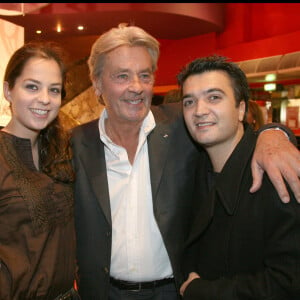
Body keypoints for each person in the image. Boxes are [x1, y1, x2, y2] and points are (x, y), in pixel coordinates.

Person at [71, 23, 300, 300]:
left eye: (145, 75)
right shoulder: (75, 143)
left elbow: (228, 124)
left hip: (176, 290)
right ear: (97, 82)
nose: (136, 87)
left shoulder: (183, 126)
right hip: (104, 292)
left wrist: (273, 133)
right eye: (122, 76)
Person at [178, 55, 300, 299]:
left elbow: (289, 283)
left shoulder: (275, 171)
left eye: (214, 97)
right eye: (189, 102)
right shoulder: (190, 166)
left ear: (241, 108)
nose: (199, 111)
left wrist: (201, 292)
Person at [0, 42, 80, 299]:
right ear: (8, 90)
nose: (45, 99)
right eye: (32, 86)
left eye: (54, 90)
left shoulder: (64, 153)